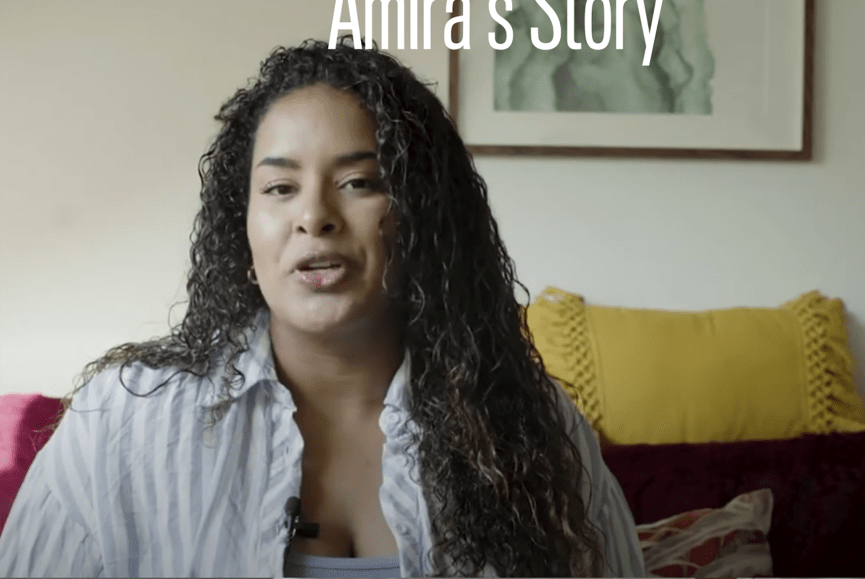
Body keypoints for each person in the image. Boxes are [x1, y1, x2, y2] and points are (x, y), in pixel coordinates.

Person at [0, 38, 644, 577]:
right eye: (280, 187)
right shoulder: (120, 424)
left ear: (423, 217)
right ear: (241, 227)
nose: (314, 217)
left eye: (359, 183)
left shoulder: (532, 428)